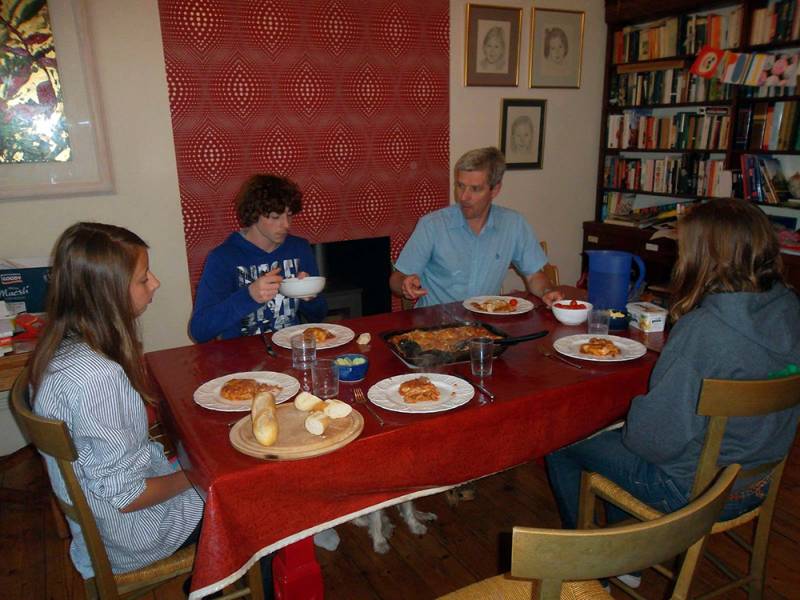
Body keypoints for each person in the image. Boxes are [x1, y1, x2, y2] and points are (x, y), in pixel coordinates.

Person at [546, 199, 800, 584]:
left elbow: (653, 443)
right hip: (756, 483)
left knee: (561, 439)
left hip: (694, 492)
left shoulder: (703, 330)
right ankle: (626, 557)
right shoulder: (789, 308)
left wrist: (631, 414)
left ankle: (594, 570)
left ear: (705, 258)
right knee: (620, 434)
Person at [28, 222, 274, 596]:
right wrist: (200, 474)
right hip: (135, 533)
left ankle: (209, 578)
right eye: (144, 279)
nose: (155, 283)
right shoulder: (97, 377)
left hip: (103, 518)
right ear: (107, 292)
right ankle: (225, 579)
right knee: (258, 494)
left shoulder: (58, 351)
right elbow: (129, 497)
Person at [390, 147, 563, 307]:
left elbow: (534, 276)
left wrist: (546, 291)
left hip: (486, 324)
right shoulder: (432, 225)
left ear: (495, 190)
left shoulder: (513, 224)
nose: (464, 197)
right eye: (460, 186)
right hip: (436, 324)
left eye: (475, 189)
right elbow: (396, 279)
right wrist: (404, 284)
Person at [190, 174, 327, 343]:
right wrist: (249, 296)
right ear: (254, 214)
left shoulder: (299, 248)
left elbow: (319, 315)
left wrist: (310, 296)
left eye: (289, 215)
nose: (286, 224)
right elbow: (199, 331)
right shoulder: (223, 258)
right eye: (275, 217)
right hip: (241, 355)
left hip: (292, 349)